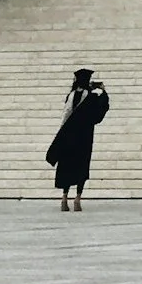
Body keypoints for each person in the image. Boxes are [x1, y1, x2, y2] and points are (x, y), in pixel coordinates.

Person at [46, 67, 111, 212]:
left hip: (69, 135)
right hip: (84, 137)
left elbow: (66, 113)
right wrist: (103, 91)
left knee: (66, 165)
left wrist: (62, 132)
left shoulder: (71, 95)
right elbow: (100, 112)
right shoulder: (92, 97)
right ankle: (77, 199)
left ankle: (64, 198)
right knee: (81, 166)